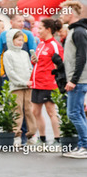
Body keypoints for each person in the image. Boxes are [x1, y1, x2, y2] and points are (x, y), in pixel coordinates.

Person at [59, 0, 87, 158]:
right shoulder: (75, 31)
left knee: (74, 114)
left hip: (78, 80)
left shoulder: (79, 32)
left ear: (70, 13)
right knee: (79, 113)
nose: (61, 15)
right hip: (78, 80)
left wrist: (73, 80)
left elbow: (82, 57)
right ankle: (83, 145)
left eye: (63, 12)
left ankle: (85, 146)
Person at [31, 18, 64, 149]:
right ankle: (42, 139)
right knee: (35, 111)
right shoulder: (40, 44)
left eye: (40, 28)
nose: (38, 31)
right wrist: (34, 60)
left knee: (51, 111)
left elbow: (60, 65)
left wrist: (57, 81)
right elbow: (39, 62)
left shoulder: (54, 45)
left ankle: (57, 139)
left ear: (48, 30)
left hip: (48, 83)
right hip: (37, 83)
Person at [3, 30, 37, 147]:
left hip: (28, 86)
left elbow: (29, 68)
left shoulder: (25, 53)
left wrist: (30, 80)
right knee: (17, 111)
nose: (21, 42)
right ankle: (16, 135)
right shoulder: (8, 54)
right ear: (11, 40)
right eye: (18, 40)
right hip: (16, 87)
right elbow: (10, 72)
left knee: (29, 110)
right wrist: (23, 82)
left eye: (22, 40)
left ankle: (31, 134)